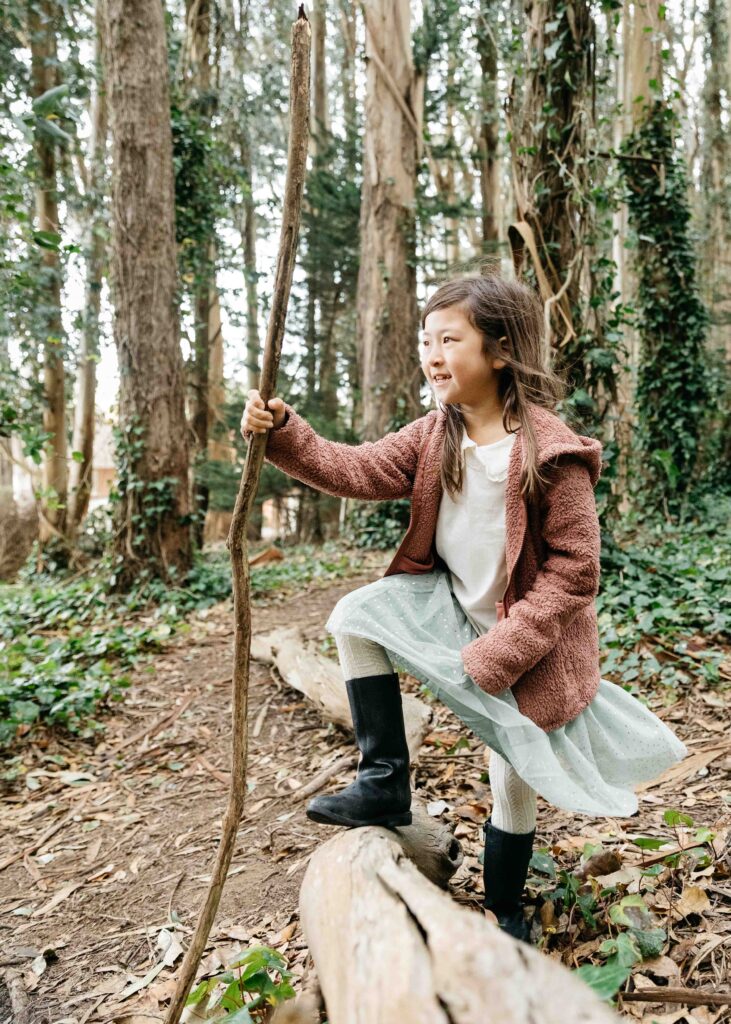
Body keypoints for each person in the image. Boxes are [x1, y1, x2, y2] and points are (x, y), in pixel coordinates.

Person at [240, 272, 687, 944]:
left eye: (449, 339)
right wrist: (283, 434)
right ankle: (384, 781)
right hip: (448, 607)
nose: (432, 354)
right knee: (355, 615)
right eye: (426, 341)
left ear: (500, 351)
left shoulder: (549, 452)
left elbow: (575, 572)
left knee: (510, 780)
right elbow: (355, 469)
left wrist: (503, 650)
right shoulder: (433, 434)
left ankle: (505, 909)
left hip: (525, 642)